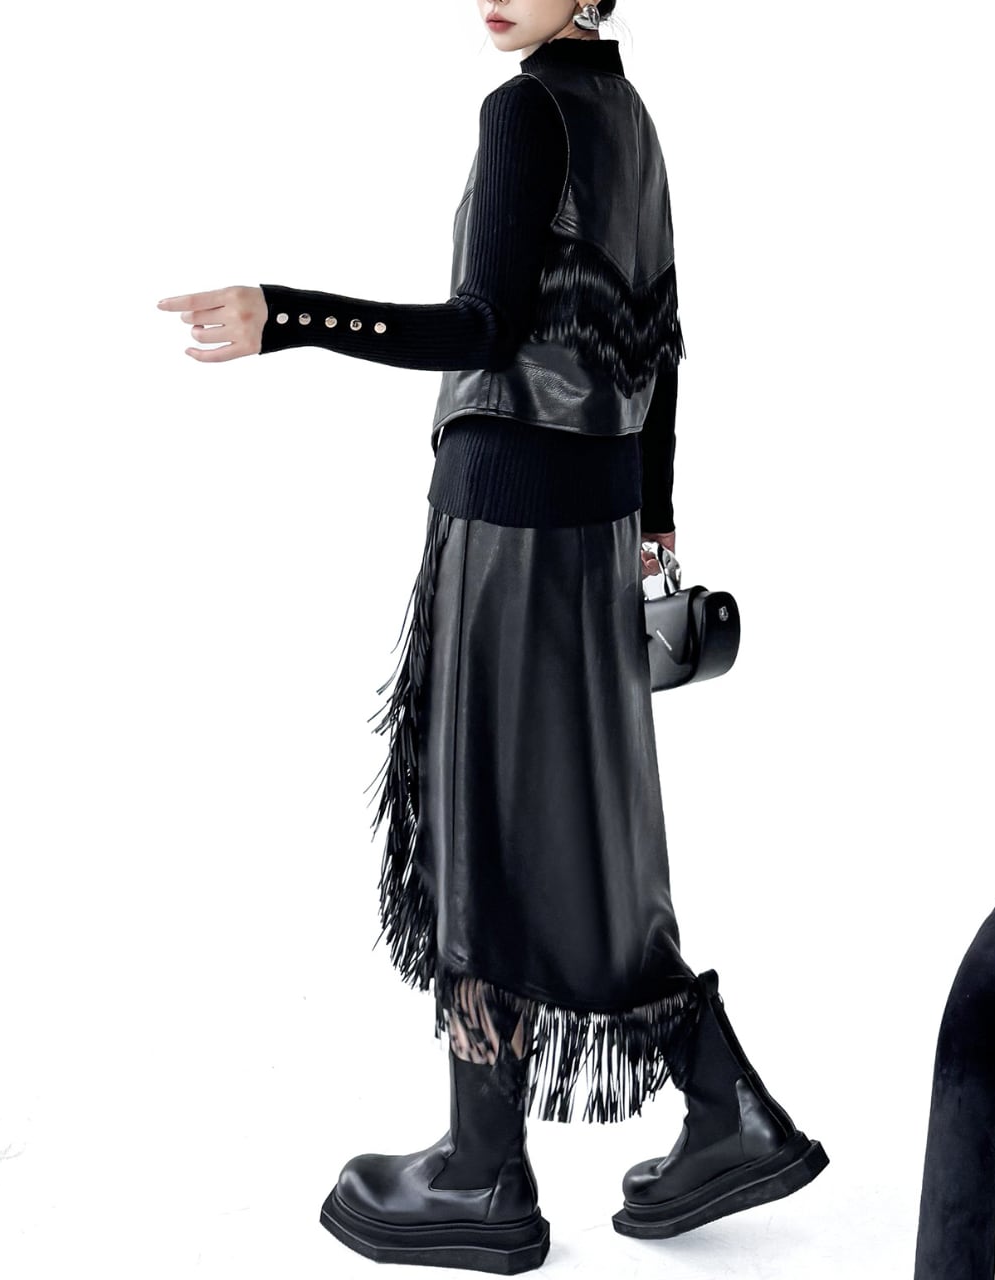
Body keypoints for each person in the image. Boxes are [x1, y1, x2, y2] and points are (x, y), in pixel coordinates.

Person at [157, 2, 827, 1271]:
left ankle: (480, 1170)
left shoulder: (523, 113)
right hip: (594, 519)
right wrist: (653, 521)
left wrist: (283, 314)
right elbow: (661, 346)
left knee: (479, 827)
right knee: (582, 838)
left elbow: (478, 326)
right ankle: (721, 1106)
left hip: (509, 518)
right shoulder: (629, 118)